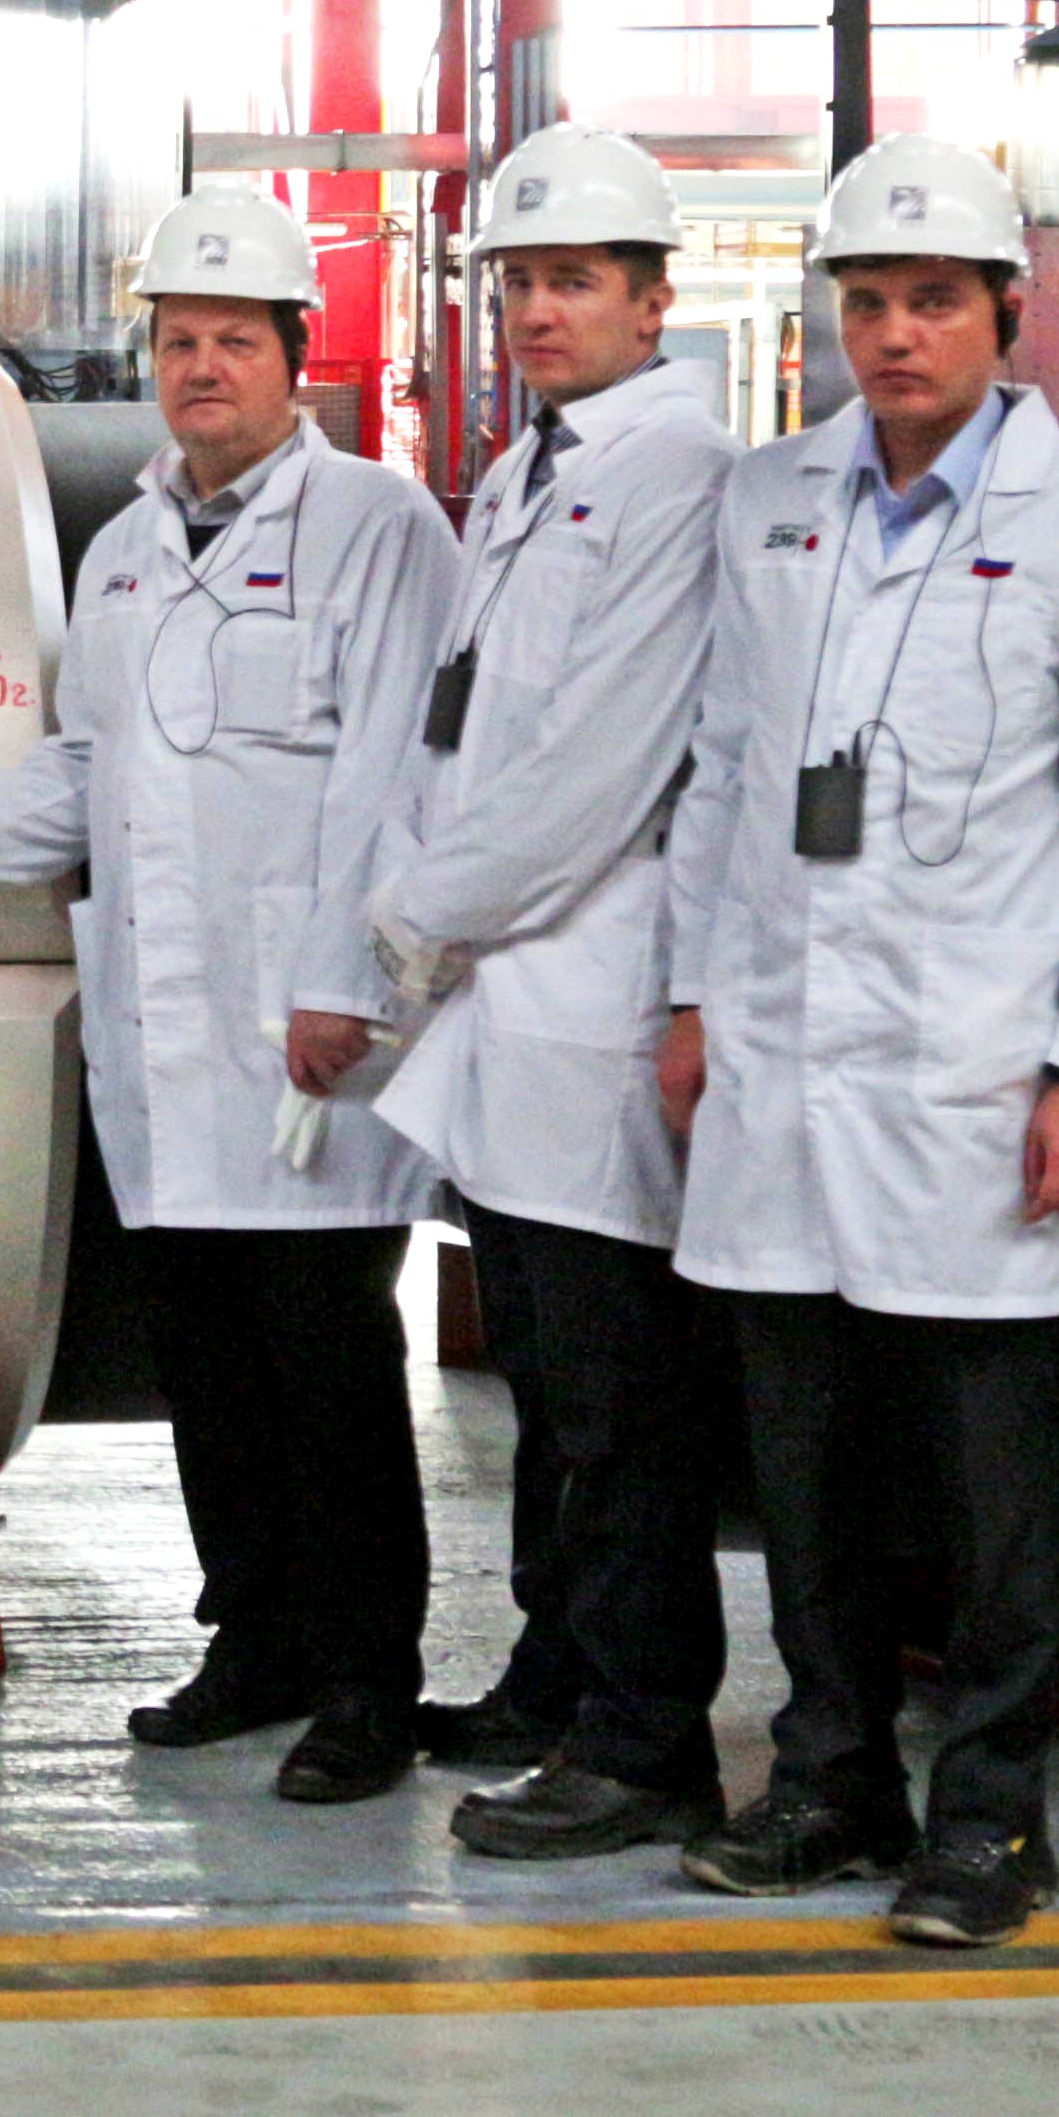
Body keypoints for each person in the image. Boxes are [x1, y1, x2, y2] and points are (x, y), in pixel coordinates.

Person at [0, 187, 464, 1804]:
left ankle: (367, 1685)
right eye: (179, 341)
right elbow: (87, 770)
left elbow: (400, 776)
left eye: (233, 340)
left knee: (328, 1371)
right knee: (213, 1372)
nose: (202, 368)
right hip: (165, 1048)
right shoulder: (120, 555)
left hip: (307, 1043)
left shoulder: (381, 528)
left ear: (294, 358)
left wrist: (347, 982)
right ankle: (255, 1641)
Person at [658, 138, 1059, 1949]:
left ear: (1003, 314)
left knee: (986, 1486)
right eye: (871, 302)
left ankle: (990, 1819)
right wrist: (692, 996)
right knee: (801, 1461)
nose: (897, 335)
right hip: (781, 1049)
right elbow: (726, 768)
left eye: (935, 302)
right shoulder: (769, 502)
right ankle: (829, 1780)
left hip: (975, 1064)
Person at [360, 120, 738, 1861]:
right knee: (540, 1383)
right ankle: (558, 1675)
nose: (535, 310)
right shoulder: (531, 467)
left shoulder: (678, 471)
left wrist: (423, 914)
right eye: (516, 281)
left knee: (616, 1401)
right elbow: (464, 725)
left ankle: (650, 1740)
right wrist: (432, 911)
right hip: (503, 995)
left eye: (573, 279)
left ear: (654, 299)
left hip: (587, 989)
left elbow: (596, 767)